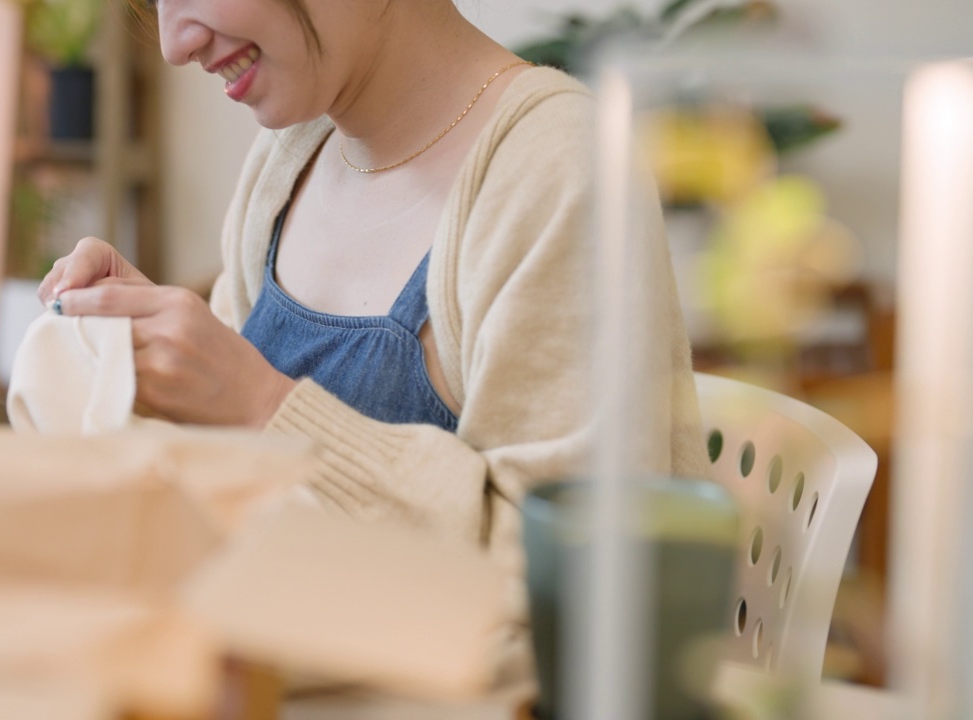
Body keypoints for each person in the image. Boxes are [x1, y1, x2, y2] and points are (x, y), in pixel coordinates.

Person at [37, 0, 707, 621]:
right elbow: (235, 509)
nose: (174, 43)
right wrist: (148, 362)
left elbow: (573, 590)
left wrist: (265, 405)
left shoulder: (556, 165)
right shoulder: (286, 161)